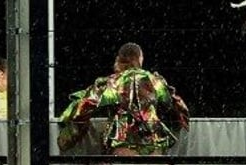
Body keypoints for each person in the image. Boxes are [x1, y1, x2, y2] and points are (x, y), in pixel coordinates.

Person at [57, 43, 190, 156]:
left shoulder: (112, 83)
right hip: (153, 142)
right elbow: (174, 105)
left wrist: (69, 134)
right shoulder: (154, 81)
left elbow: (86, 105)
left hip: (122, 143)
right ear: (139, 58)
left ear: (119, 59)